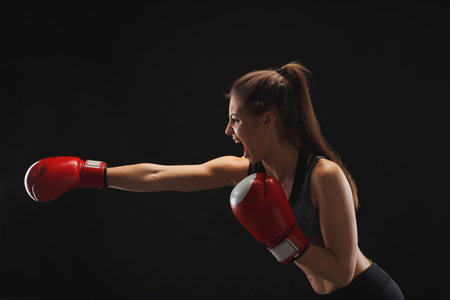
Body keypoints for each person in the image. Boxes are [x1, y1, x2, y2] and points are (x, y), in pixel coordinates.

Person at [24, 62, 404, 299]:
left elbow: (341, 271)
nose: (228, 130)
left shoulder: (324, 175)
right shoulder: (247, 170)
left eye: (236, 120)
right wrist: (86, 174)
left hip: (368, 293)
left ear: (268, 120)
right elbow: (160, 175)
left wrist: (282, 237)